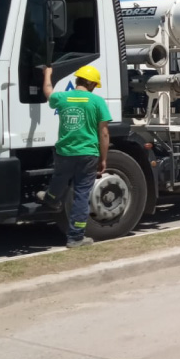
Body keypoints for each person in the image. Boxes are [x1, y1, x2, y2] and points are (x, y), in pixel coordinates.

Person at [39, 65, 111, 248]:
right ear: (92, 83)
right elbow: (103, 133)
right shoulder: (97, 101)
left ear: (78, 80)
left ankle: (52, 199)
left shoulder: (63, 98)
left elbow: (48, 91)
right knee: (81, 194)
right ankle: (75, 238)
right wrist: (103, 159)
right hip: (88, 153)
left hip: (65, 152)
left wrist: (48, 74)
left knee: (60, 179)